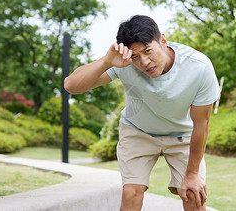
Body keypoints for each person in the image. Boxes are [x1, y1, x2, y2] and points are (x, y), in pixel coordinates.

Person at [64, 15, 220, 211]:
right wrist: (107, 61)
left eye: (148, 51)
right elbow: (71, 86)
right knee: (131, 193)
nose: (145, 62)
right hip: (138, 131)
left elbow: (201, 124)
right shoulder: (124, 62)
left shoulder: (199, 67)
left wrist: (193, 173)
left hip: (182, 134)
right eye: (136, 57)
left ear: (162, 40)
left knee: (192, 195)